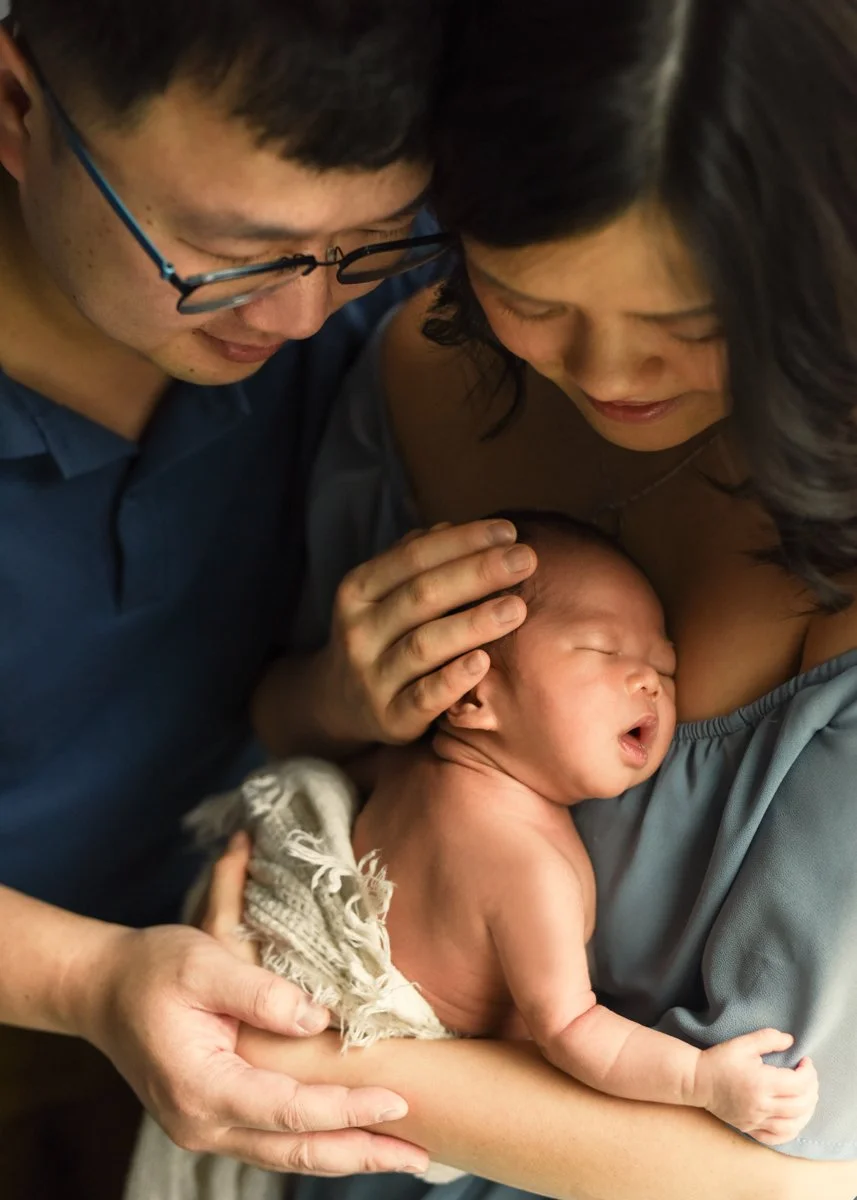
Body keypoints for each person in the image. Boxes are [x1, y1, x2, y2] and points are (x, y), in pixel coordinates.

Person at [230, 0, 857, 1198]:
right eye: (534, 299)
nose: (607, 378)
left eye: (689, 328)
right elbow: (285, 751)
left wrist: (287, 1044)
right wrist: (337, 695)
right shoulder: (432, 371)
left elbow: (785, 1173)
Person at [0, 0, 478, 1195]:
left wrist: (329, 699)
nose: (302, 314)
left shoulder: (386, 292)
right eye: (232, 257)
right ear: (16, 109)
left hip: (233, 939)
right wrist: (85, 982)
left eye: (368, 241)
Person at [351, 514, 816, 1145]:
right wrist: (701, 1080)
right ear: (470, 695)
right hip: (399, 1089)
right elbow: (572, 1031)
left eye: (665, 667)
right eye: (601, 649)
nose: (649, 680)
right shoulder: (526, 865)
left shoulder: (406, 766)